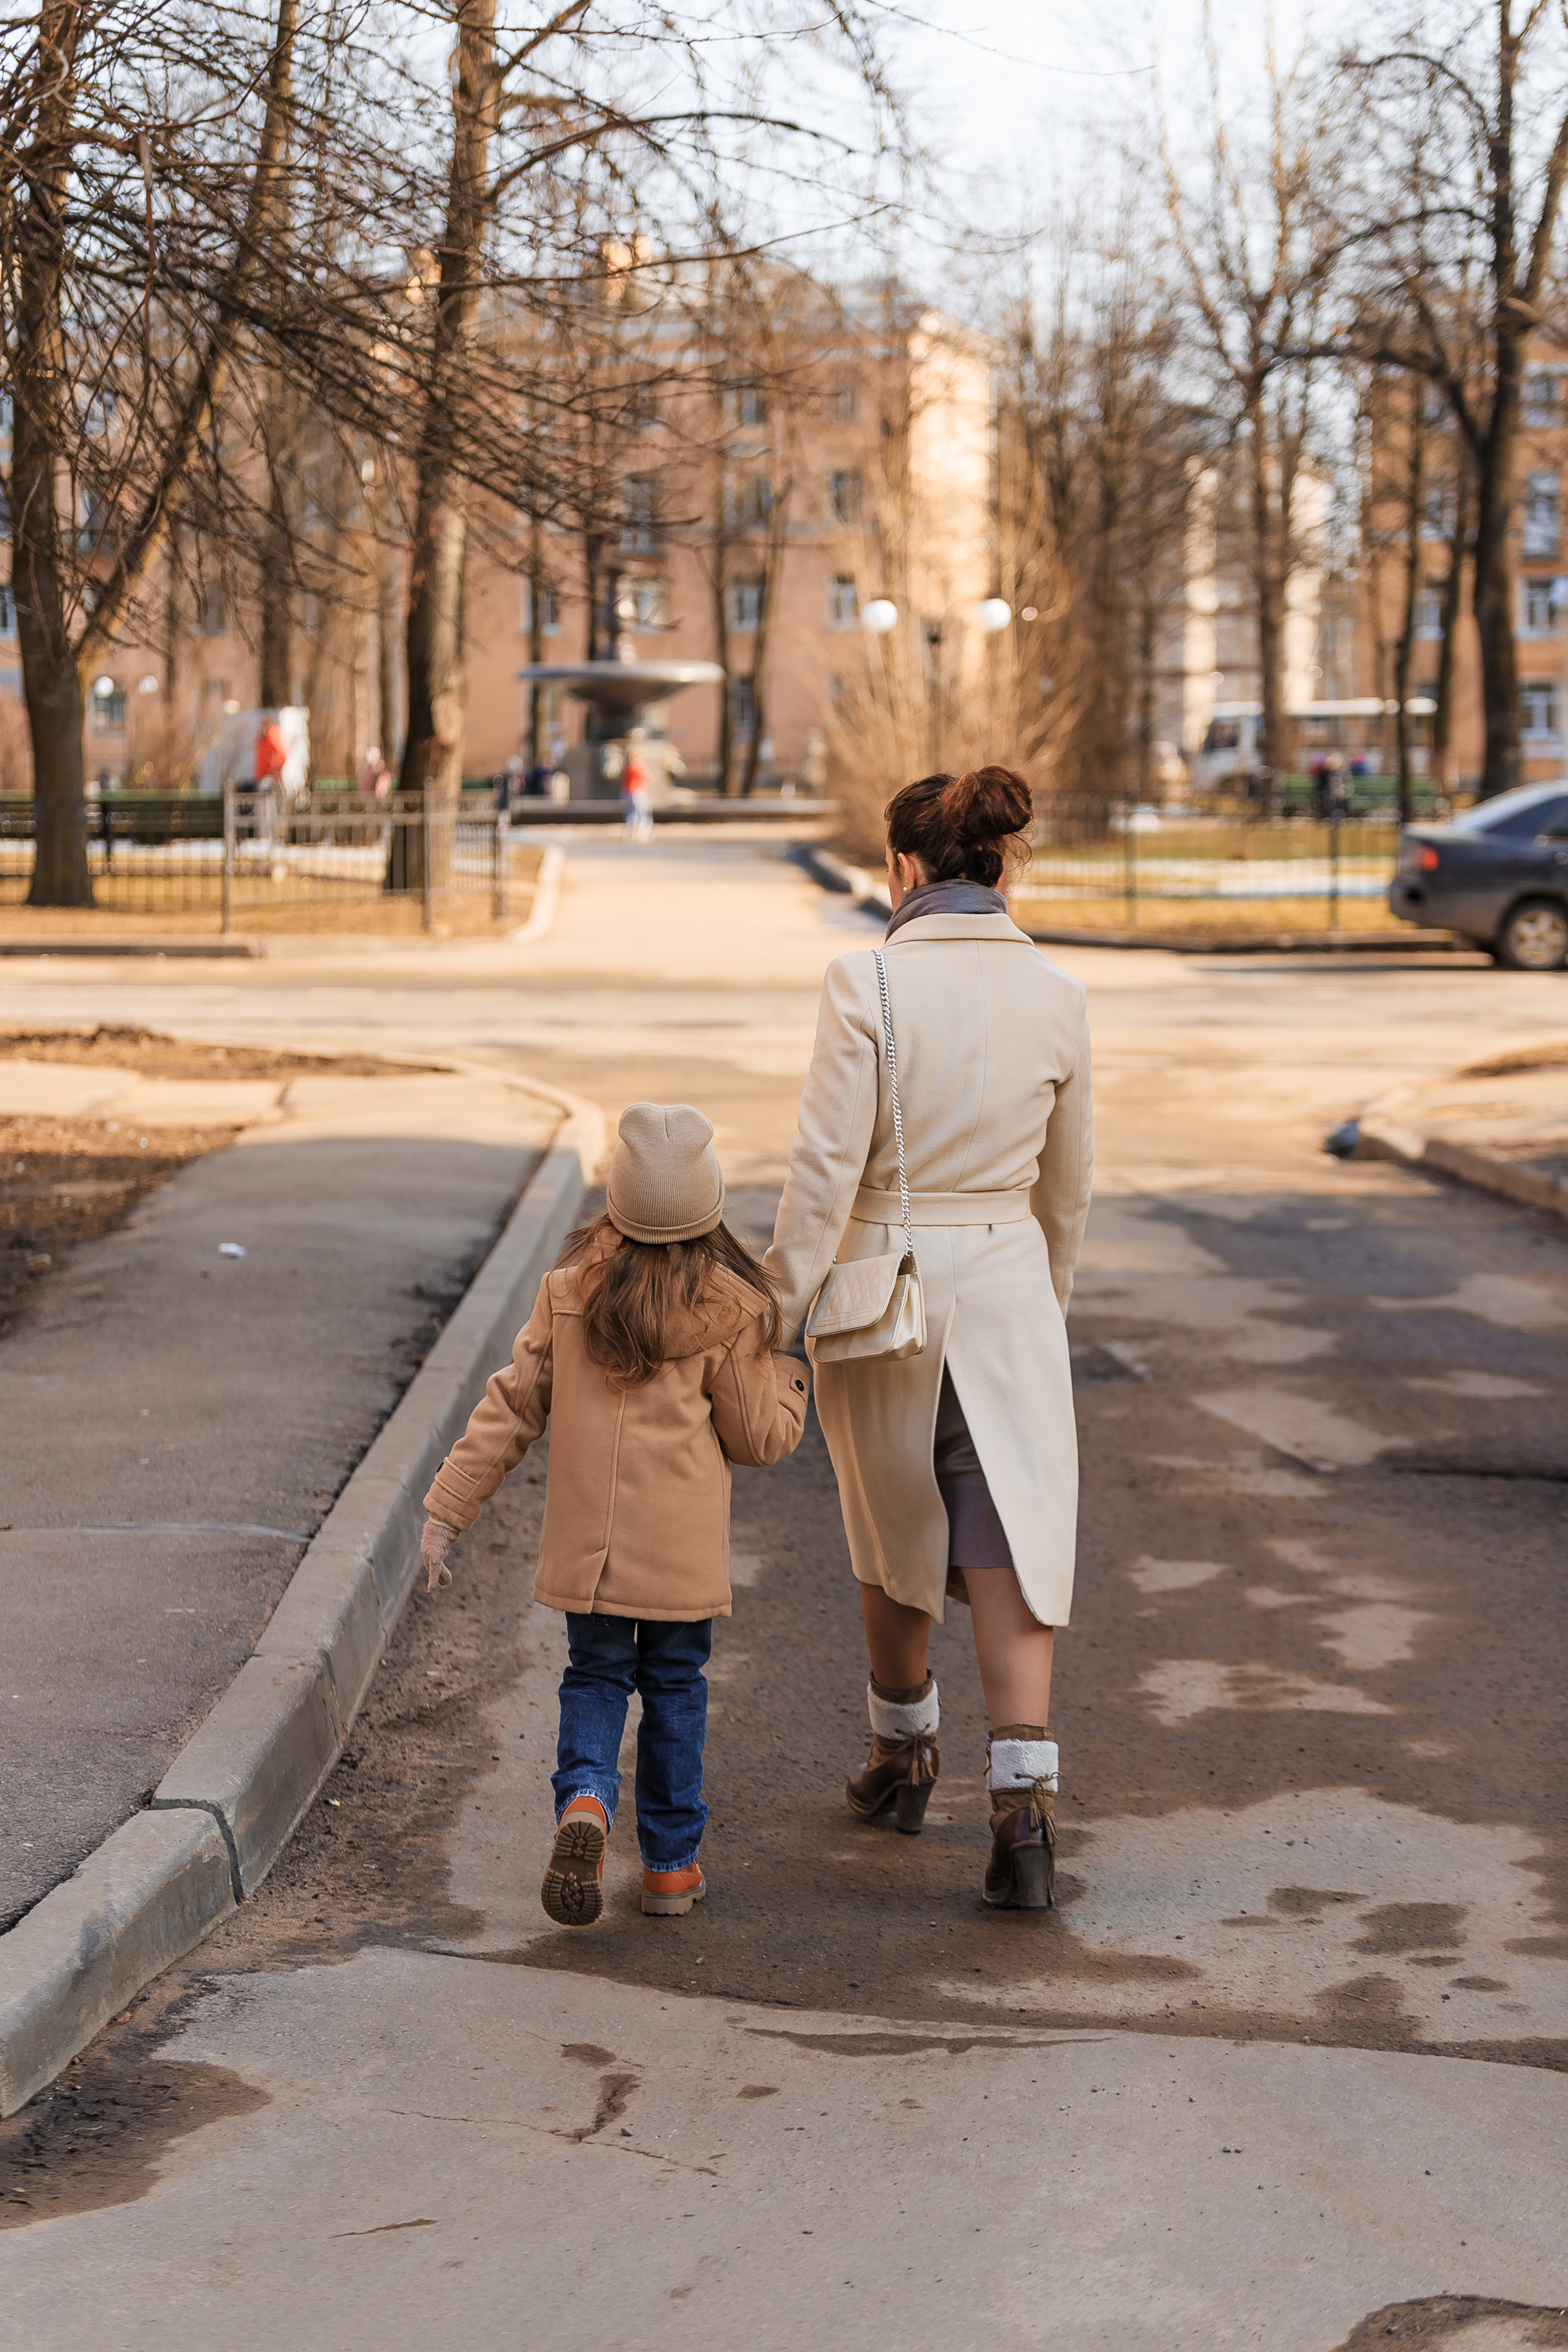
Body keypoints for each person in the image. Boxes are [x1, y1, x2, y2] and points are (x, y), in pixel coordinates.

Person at [764, 767, 1093, 1911]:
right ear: (1001, 867)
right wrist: (1040, 1307)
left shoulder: (865, 982)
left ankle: (901, 1756)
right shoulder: (1058, 994)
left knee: (894, 1526)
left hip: (882, 1293)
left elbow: (822, 1173)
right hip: (1006, 1289)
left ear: (903, 869)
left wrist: (776, 1312)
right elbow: (1067, 1192)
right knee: (1008, 1535)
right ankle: (1024, 1808)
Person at [420, 1104, 809, 1925]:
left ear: (617, 1203)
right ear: (708, 1209)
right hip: (680, 1564)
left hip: (588, 1557)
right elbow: (760, 1439)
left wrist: (448, 1509)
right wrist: (790, 1372)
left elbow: (512, 1408)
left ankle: (587, 1801)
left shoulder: (568, 1293)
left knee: (594, 1678)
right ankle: (669, 1868)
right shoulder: (732, 1310)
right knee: (675, 1690)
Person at [620, 731, 654, 842]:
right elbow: (647, 778)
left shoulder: (628, 768)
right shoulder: (640, 767)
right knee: (642, 812)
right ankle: (642, 833)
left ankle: (631, 830)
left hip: (627, 792)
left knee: (631, 813)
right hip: (638, 792)